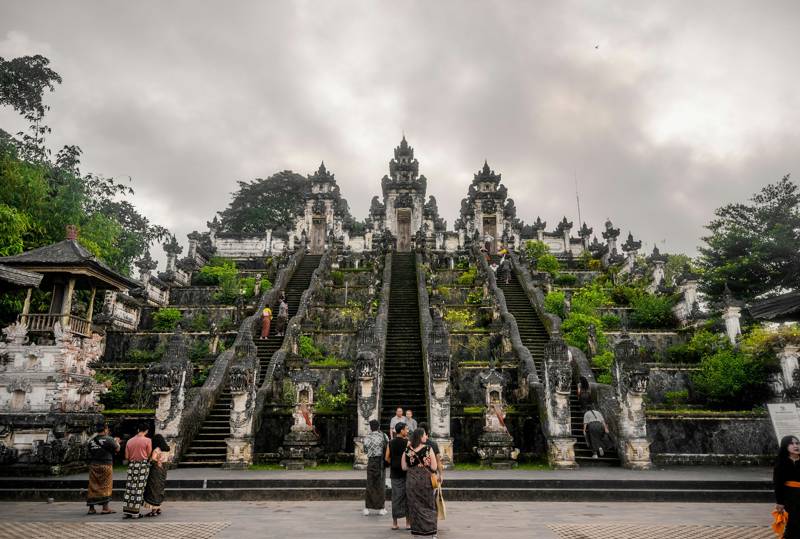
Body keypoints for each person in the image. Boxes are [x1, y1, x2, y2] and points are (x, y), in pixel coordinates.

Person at [402, 426, 438, 537]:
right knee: (429, 505)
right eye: (424, 435)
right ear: (420, 437)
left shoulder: (407, 450)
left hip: (411, 481)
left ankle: (416, 533)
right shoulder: (428, 449)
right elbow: (434, 466)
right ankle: (432, 532)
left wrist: (414, 469)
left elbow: (403, 467)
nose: (426, 436)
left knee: (414, 506)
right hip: (426, 481)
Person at [86, 423, 120, 515]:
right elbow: (117, 449)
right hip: (106, 464)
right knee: (106, 485)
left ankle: (91, 508)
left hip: (94, 465)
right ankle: (105, 508)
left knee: (93, 486)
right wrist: (117, 442)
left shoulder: (91, 440)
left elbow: (89, 452)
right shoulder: (109, 439)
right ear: (105, 429)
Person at [122, 423, 153, 519]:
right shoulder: (148, 440)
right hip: (142, 466)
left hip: (132, 466)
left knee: (130, 488)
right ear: (146, 431)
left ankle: (127, 511)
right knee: (139, 489)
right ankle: (135, 512)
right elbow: (148, 454)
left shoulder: (129, 441)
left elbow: (126, 456)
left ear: (138, 429)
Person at [385, 422, 410, 530]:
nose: (407, 431)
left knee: (395, 497)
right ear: (401, 431)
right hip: (406, 473)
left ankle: (395, 523)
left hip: (394, 473)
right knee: (407, 497)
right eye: (406, 429)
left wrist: (394, 463)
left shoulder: (390, 442)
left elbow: (386, 457)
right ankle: (408, 523)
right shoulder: (408, 443)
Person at [774, 435, 800, 538]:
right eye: (792, 443)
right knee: (793, 521)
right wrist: (780, 502)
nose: (795, 446)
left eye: (797, 443)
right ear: (785, 446)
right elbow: (778, 483)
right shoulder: (781, 462)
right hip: (790, 497)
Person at [362, 419, 389, 516]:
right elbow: (387, 448)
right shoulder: (383, 436)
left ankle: (367, 507)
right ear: (378, 427)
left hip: (371, 461)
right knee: (380, 484)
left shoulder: (367, 437)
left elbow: (365, 450)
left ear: (370, 427)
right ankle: (381, 507)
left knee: (370, 483)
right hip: (380, 461)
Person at [143, 434, 171, 517]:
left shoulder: (157, 449)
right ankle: (158, 508)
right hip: (163, 471)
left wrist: (152, 460)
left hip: (155, 471)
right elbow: (169, 459)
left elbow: (153, 459)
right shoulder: (167, 449)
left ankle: (154, 510)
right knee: (160, 488)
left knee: (153, 488)